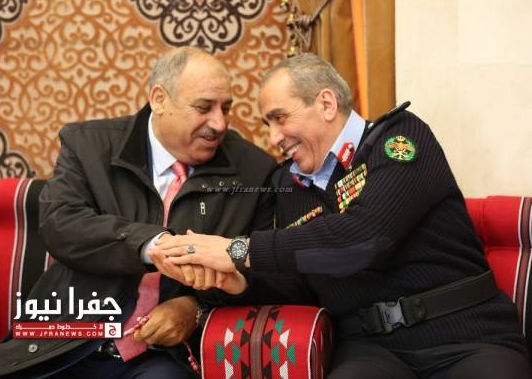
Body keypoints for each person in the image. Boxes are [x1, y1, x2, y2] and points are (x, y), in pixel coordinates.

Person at [0, 47, 312, 379]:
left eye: (225, 108)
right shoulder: (88, 145)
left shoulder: (254, 172)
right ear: (159, 99)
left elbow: (262, 275)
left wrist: (194, 308)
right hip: (64, 338)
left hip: (164, 356)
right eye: (204, 108)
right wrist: (152, 245)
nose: (220, 123)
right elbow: (59, 223)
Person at [156, 53, 531, 378]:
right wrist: (238, 281)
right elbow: (299, 285)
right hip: (371, 348)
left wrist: (236, 249)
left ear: (326, 103)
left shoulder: (398, 139)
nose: (273, 138)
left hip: (466, 335)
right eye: (268, 125)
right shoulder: (287, 184)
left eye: (280, 118)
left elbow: (363, 239)